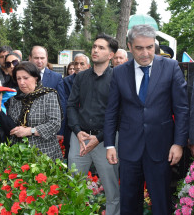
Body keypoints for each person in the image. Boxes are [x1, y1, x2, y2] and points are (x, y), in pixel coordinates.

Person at [104, 24, 189, 215]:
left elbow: (182, 109)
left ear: (154, 45)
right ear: (130, 46)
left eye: (149, 47)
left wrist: (179, 143)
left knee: (161, 202)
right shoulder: (119, 72)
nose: (145, 53)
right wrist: (109, 144)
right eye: (139, 48)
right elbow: (111, 110)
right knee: (129, 202)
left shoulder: (171, 67)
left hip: (161, 147)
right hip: (129, 148)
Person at [67, 34, 120, 215]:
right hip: (79, 138)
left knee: (112, 189)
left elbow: (120, 114)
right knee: (73, 187)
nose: (95, 50)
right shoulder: (80, 77)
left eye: (101, 48)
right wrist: (77, 131)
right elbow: (71, 105)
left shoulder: (118, 78)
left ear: (111, 55)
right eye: (94, 46)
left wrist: (99, 138)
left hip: (106, 140)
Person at [0, 62, 63, 161]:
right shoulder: (15, 98)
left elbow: (54, 124)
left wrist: (29, 131)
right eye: (19, 78)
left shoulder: (48, 95)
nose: (22, 82)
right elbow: (12, 124)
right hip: (18, 154)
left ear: (36, 78)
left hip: (44, 154)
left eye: (25, 78)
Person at [29, 46, 66, 138]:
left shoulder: (56, 78)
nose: (39, 61)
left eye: (42, 58)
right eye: (36, 58)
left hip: (49, 130)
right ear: (30, 58)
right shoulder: (22, 76)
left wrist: (60, 131)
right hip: (26, 128)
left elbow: (62, 104)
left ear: (47, 58)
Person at [63, 53, 90, 158]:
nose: (78, 67)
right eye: (76, 63)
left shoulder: (94, 80)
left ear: (88, 66)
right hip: (73, 126)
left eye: (82, 64)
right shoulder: (66, 81)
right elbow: (66, 104)